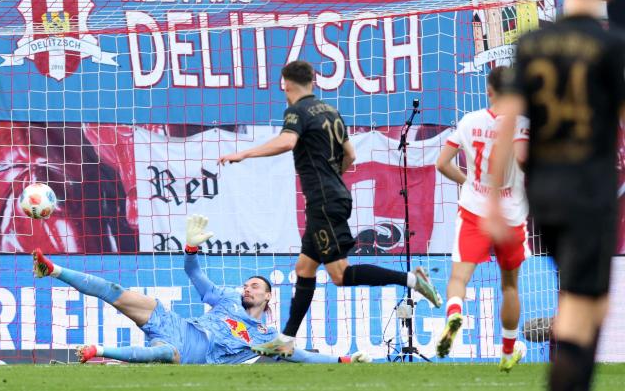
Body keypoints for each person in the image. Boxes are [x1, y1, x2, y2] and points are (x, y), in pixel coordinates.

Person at [217, 60, 442, 358]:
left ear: (286, 83)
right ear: (313, 81)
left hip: (324, 203)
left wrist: (245, 153)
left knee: (340, 275)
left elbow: (287, 141)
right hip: (328, 198)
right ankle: (285, 339)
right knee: (304, 269)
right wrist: (332, 177)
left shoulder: (296, 111)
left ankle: (413, 280)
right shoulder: (330, 112)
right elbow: (349, 154)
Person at [485, 0, 625, 389]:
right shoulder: (611, 45)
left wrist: (493, 201)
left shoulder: (531, 44)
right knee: (586, 313)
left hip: (544, 194)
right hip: (590, 190)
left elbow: (506, 124)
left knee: (578, 304)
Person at [32, 214, 370, 365]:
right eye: (247, 284)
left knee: (164, 355)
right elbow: (193, 272)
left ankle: (99, 351)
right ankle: (54, 268)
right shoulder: (224, 298)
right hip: (177, 325)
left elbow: (304, 356)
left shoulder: (266, 337)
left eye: (256, 286)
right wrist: (191, 248)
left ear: (268, 296)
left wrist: (342, 359)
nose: (248, 288)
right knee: (116, 290)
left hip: (192, 355)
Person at [434, 67, 530, 372]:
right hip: (510, 214)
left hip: (475, 209)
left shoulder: (469, 121)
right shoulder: (521, 125)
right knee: (510, 287)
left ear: (489, 91)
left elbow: (441, 163)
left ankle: (454, 313)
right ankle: (506, 352)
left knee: (459, 279)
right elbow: (526, 161)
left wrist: (468, 182)